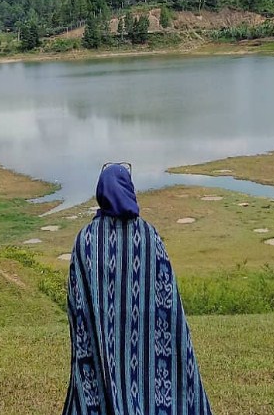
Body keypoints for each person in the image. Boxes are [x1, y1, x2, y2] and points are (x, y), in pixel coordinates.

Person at [62, 163, 212, 415]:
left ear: (102, 192)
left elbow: (77, 302)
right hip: (144, 338)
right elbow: (167, 298)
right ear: (128, 189)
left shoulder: (86, 238)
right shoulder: (148, 235)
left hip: (101, 341)